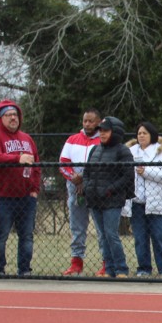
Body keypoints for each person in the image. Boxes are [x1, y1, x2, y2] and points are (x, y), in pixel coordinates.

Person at [0, 101, 40, 276]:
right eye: (8, 115)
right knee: (0, 235)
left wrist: (35, 189)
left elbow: (36, 165)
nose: (13, 118)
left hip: (26, 197)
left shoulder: (27, 138)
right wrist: (17, 159)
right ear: (1, 119)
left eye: (15, 114)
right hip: (3, 197)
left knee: (26, 236)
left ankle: (24, 270)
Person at [82, 116, 133, 278]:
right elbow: (87, 172)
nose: (102, 134)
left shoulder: (122, 151)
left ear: (115, 132)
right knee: (102, 236)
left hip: (112, 200)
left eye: (106, 131)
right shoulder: (95, 150)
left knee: (111, 234)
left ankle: (121, 269)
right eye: (100, 131)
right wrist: (87, 187)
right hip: (95, 199)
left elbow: (127, 176)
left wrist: (110, 190)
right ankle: (109, 269)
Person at [127, 121, 162, 277]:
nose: (141, 135)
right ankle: (144, 268)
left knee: (160, 237)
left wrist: (146, 172)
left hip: (157, 203)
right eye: (139, 133)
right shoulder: (130, 152)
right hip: (136, 203)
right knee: (140, 238)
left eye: (145, 133)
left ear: (152, 135)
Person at [58, 109, 104, 276]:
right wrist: (74, 178)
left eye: (91, 121)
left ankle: (106, 262)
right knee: (77, 227)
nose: (87, 124)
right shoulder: (72, 140)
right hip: (75, 188)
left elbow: (103, 165)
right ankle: (76, 263)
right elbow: (63, 162)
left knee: (101, 227)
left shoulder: (102, 140)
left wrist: (85, 178)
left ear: (99, 122)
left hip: (96, 188)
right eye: (85, 121)